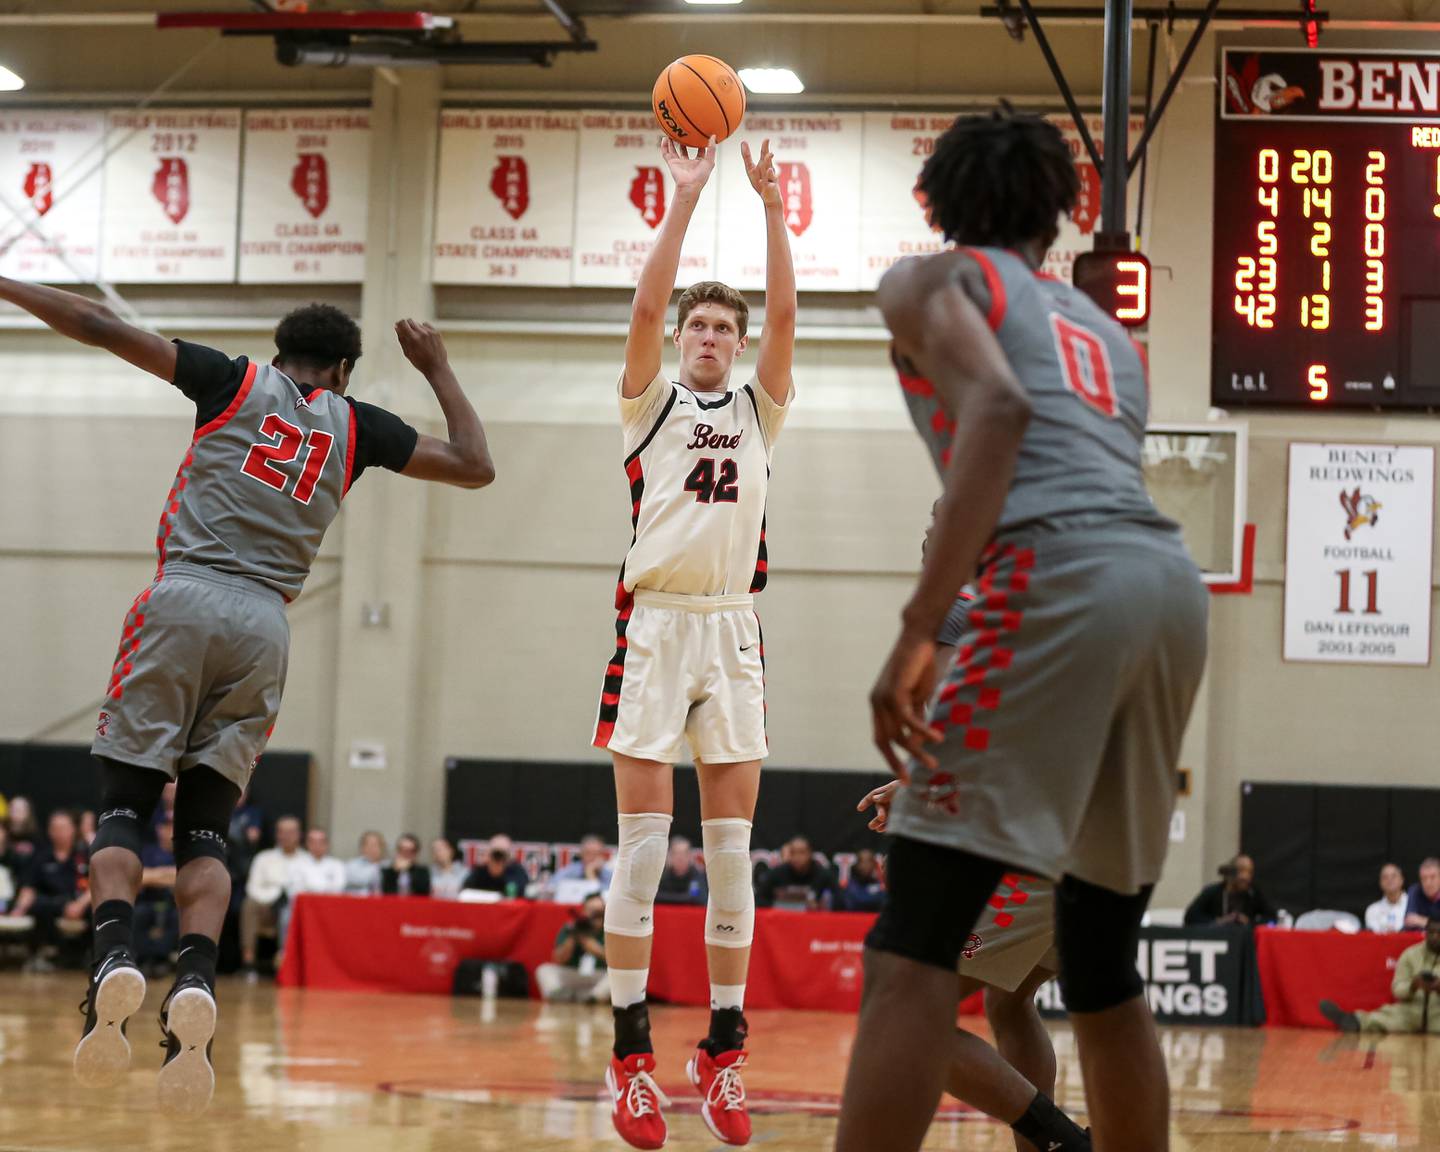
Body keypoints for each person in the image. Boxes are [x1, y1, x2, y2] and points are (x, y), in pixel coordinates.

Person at [0, 268, 495, 1112]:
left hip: (183, 596)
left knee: (123, 807)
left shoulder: (231, 381)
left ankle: (115, 956)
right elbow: (475, 466)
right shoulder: (358, 427)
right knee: (206, 830)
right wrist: (437, 367)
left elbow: (93, 320)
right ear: (341, 372)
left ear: (280, 355)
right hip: (265, 623)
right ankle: (195, 977)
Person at [834, 108, 1208, 1152]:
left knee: (910, 957)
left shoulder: (929, 280)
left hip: (1057, 577)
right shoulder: (1106, 334)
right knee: (1100, 967)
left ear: (934, 204)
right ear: (1060, 214)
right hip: (1169, 589)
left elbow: (995, 411)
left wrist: (918, 630)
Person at [594, 132, 796, 1151]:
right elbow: (640, 307)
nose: (712, 335)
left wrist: (769, 208)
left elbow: (788, 324)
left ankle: (722, 1050)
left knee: (731, 861)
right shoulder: (651, 403)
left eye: (726, 325)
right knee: (641, 855)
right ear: (681, 337)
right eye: (701, 324)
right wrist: (684, 199)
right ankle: (630, 1056)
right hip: (659, 623)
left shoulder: (761, 409)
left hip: (733, 630)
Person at [1321, 915, 1440, 1034]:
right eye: (1431, 932)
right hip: (1412, 1009)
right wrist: (1413, 986)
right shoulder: (1410, 954)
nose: (1435, 937)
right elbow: (1397, 989)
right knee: (1388, 1015)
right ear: (1426, 932)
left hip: (1437, 1012)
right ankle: (1353, 1021)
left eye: (1439, 933)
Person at [14, 810, 90, 971]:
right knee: (38, 906)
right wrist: (19, 909)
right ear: (49, 831)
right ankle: (43, 953)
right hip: (53, 905)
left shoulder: (85, 855)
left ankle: (91, 955)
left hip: (81, 903)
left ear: (73, 829)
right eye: (55, 828)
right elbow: (29, 887)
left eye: (63, 828)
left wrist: (79, 905)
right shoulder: (41, 856)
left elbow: (96, 886)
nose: (59, 832)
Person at [240, 815, 303, 978]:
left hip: (298, 911)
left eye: (291, 832)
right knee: (249, 905)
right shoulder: (264, 858)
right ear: (277, 834)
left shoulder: (307, 859)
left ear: (299, 834)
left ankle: (288, 963)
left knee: (289, 911)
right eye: (283, 832)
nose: (287, 836)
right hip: (267, 907)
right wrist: (274, 895)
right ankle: (249, 962)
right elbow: (252, 887)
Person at [536, 894, 611, 1004]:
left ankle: (594, 998)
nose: (596, 916)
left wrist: (592, 946)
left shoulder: (609, 930)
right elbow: (559, 959)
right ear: (584, 912)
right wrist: (572, 937)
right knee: (543, 970)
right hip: (573, 974)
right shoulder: (571, 928)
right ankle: (559, 995)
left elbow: (616, 960)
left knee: (616, 976)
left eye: (600, 912)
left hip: (598, 975)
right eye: (592, 912)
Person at [134, 820, 179, 974]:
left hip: (175, 903)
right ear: (159, 829)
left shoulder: (183, 852)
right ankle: (143, 959)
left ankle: (162, 959)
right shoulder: (147, 852)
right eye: (166, 827)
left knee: (177, 918)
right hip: (148, 900)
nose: (170, 831)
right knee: (138, 915)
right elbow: (138, 877)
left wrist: (153, 875)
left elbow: (184, 876)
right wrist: (167, 875)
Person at [1183, 855, 1277, 927]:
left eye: (1249, 872)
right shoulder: (1213, 892)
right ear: (1230, 873)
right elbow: (1190, 917)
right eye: (1241, 871)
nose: (1245, 877)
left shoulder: (1253, 894)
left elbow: (1272, 920)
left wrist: (1250, 922)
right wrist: (1218, 921)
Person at [755, 838, 838, 910]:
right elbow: (759, 899)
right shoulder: (777, 873)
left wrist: (820, 906)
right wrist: (778, 906)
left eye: (801, 852)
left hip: (812, 923)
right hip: (781, 922)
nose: (797, 857)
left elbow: (839, 900)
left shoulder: (822, 874)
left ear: (810, 853)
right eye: (793, 853)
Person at [547, 834, 614, 900]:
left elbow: (602, 898)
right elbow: (551, 887)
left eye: (596, 854)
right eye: (588, 853)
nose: (592, 857)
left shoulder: (610, 875)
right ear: (581, 854)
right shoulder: (570, 870)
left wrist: (590, 874)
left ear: (602, 856)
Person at [463, 835, 530, 899]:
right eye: (495, 853)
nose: (498, 857)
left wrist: (504, 871)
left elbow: (524, 892)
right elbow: (465, 890)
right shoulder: (481, 869)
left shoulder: (516, 870)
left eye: (502, 853)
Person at [292, 828, 346, 898]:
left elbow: (338, 888)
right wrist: (325, 888)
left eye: (321, 842)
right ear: (307, 844)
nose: (317, 845)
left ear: (327, 844)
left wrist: (310, 887)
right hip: (306, 905)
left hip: (329, 904)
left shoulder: (337, 864)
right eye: (313, 842)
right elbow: (297, 889)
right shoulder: (296, 863)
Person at [655, 836, 708, 906]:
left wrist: (668, 898)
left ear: (690, 856)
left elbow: (696, 898)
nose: (680, 858)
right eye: (676, 853)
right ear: (669, 856)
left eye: (684, 854)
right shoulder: (662, 876)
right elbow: (654, 896)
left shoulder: (697, 876)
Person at [1366, 863, 1409, 935]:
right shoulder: (1372, 910)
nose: (1389, 880)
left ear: (1402, 880)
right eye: (1385, 877)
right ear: (1380, 882)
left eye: (1393, 876)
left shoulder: (1414, 906)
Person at [344, 831, 387, 895]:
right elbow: (359, 880)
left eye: (376, 845)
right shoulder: (351, 865)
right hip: (357, 902)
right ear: (362, 848)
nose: (372, 848)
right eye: (369, 845)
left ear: (382, 847)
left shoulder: (387, 865)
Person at [1404, 857, 1440, 929]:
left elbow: (1418, 921)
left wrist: (1425, 922)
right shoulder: (1415, 891)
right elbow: (1410, 922)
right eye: (1424, 878)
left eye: (1432, 877)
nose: (1428, 883)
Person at [7, 796, 39, 861]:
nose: (16, 813)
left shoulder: (35, 836)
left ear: (28, 812)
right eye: (13, 809)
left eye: (19, 810)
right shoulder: (4, 833)